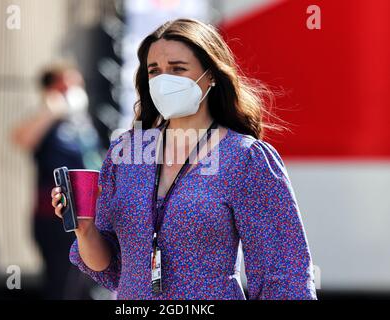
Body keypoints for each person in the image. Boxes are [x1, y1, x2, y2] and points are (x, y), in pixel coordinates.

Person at [51, 19, 317, 300]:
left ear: (211, 75)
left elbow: (284, 273)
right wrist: (85, 229)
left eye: (178, 69)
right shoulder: (125, 154)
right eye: (155, 71)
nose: (165, 79)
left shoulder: (245, 157)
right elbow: (111, 268)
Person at [12, 64, 97, 299]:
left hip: (86, 216)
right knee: (61, 286)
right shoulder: (46, 120)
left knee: (81, 286)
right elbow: (20, 139)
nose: (76, 90)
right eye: (68, 85)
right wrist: (50, 111)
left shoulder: (81, 122)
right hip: (55, 218)